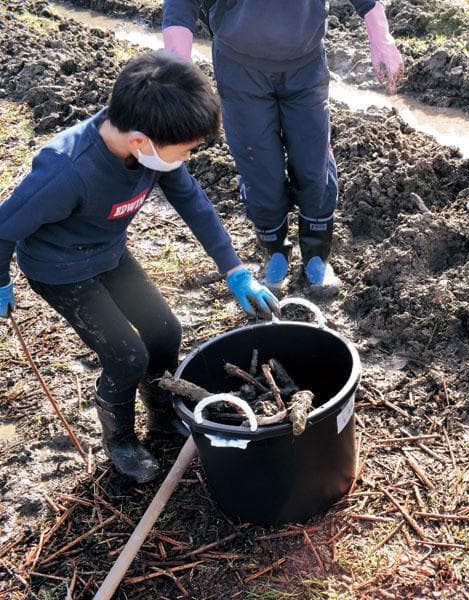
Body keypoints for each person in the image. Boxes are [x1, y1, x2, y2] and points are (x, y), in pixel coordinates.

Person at [0, 51, 280, 484]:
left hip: (108, 252)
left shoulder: (151, 150)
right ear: (140, 141)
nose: (186, 159)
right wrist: (1, 280)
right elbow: (4, 227)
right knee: (126, 356)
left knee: (165, 332)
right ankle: (121, 442)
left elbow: (193, 202)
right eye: (185, 151)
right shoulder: (67, 170)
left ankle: (161, 413)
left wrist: (233, 268)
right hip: (60, 270)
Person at [161, 0, 404, 294]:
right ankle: (274, 251)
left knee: (312, 162)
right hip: (240, 67)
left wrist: (381, 38)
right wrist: (179, 76)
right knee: (259, 167)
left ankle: (316, 255)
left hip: (305, 62)